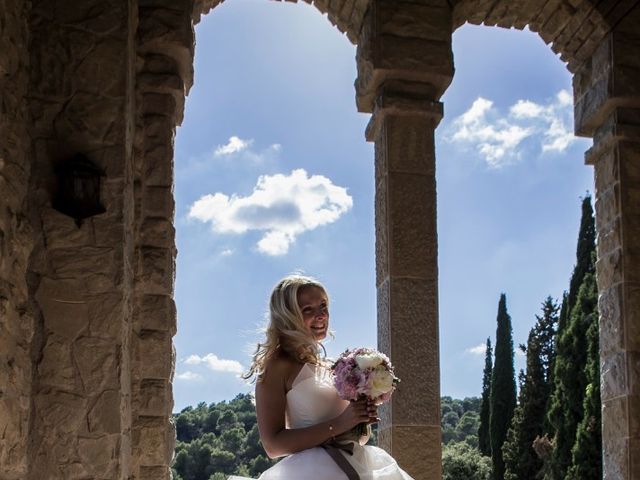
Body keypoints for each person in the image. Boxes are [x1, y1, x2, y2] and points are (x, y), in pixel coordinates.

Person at [228, 274, 414, 480]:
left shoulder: (334, 368)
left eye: (323, 306)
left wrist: (361, 418)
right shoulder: (277, 365)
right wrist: (341, 422)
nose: (321, 315)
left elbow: (359, 439)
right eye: (308, 309)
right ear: (287, 315)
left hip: (356, 466)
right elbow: (273, 445)